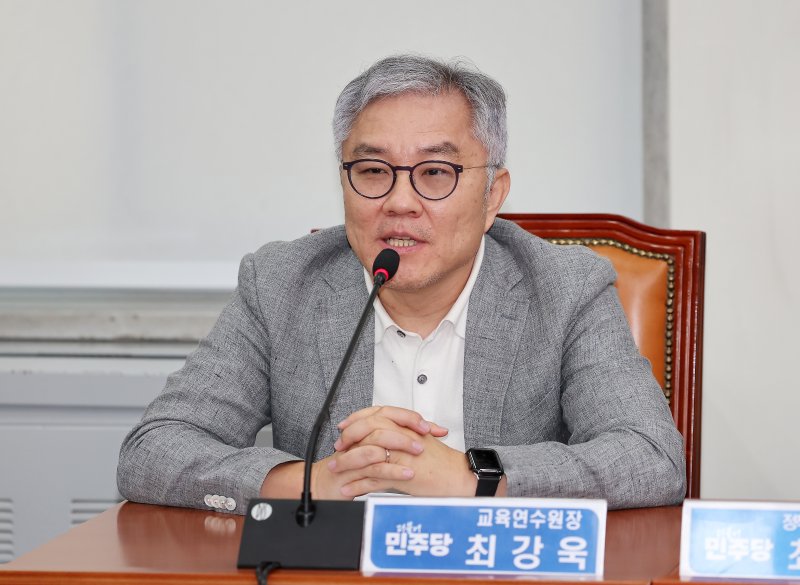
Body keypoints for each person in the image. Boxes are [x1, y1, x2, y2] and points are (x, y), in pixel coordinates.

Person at [117, 54, 686, 514]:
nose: (400, 202)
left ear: (492, 196)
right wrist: (313, 482)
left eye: (436, 173)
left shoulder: (565, 289)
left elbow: (649, 458)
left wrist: (470, 478)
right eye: (372, 171)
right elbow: (153, 450)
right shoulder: (282, 285)